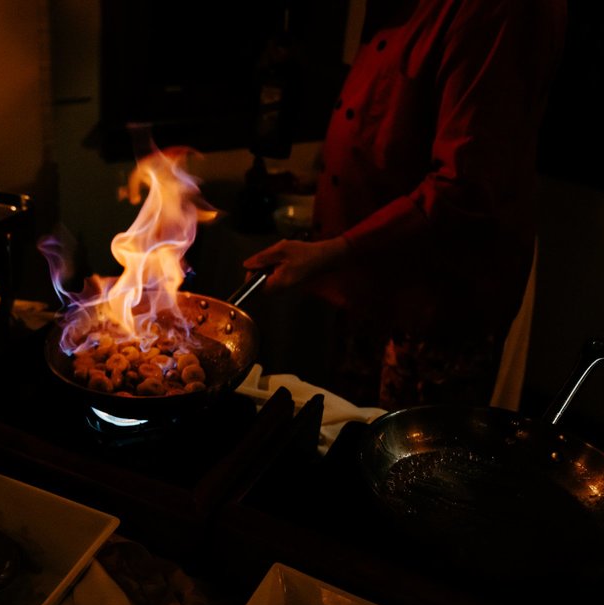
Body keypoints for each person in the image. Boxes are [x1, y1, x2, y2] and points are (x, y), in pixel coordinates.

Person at [243, 0, 567, 410]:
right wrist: (319, 181)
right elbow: (396, 127)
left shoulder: (498, 11)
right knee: (347, 436)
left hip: (434, 303)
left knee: (403, 459)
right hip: (366, 284)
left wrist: (332, 251)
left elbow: (467, 185)